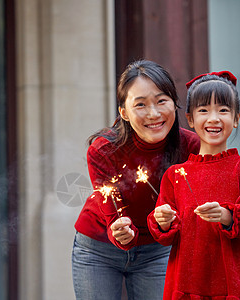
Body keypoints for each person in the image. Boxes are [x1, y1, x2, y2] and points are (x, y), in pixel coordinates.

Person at [72, 60, 200, 300]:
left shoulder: (191, 147)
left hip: (158, 250)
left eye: (161, 101)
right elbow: (113, 216)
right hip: (98, 250)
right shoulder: (103, 150)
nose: (153, 114)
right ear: (124, 113)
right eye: (140, 104)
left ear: (174, 103)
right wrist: (120, 230)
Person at [148, 71, 240, 300]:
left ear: (236, 118)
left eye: (223, 110)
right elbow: (164, 234)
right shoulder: (175, 175)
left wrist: (227, 215)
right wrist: (162, 220)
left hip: (234, 286)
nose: (213, 118)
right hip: (186, 284)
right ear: (191, 119)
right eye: (204, 110)